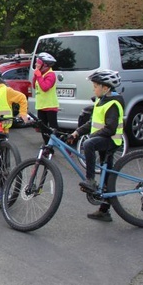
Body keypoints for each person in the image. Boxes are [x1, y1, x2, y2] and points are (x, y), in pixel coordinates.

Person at [68, 70, 125, 222]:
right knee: (107, 177)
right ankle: (104, 211)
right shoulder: (102, 101)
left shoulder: (113, 103)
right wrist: (77, 133)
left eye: (95, 86)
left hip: (111, 140)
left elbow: (111, 128)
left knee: (89, 144)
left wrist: (92, 137)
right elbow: (92, 123)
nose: (93, 89)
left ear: (105, 88)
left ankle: (90, 180)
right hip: (104, 139)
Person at [33, 52, 59, 144]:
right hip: (41, 105)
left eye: (38, 63)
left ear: (45, 64)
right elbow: (34, 86)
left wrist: (39, 76)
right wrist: (36, 75)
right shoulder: (41, 73)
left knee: (53, 128)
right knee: (43, 128)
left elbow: (45, 87)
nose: (36, 64)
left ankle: (61, 145)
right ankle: (47, 146)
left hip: (50, 106)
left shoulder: (50, 74)